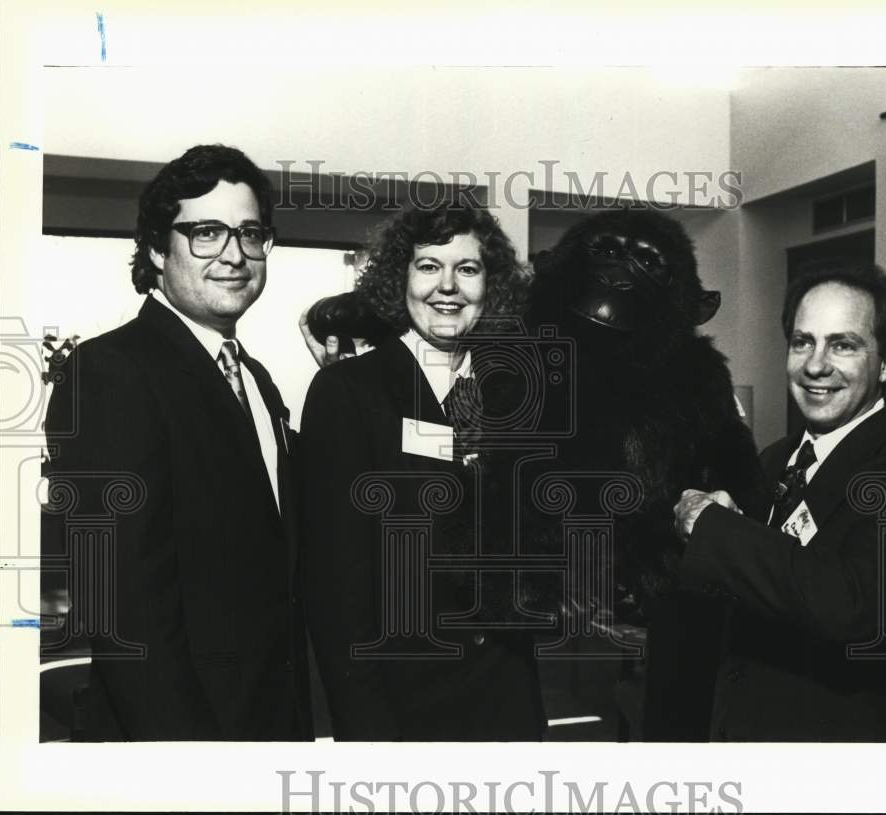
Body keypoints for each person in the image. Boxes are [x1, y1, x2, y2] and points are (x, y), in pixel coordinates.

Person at [42, 145, 312, 741]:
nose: (234, 255)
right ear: (158, 250)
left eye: (250, 233)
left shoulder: (257, 381)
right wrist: (188, 766)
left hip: (269, 731)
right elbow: (119, 606)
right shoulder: (110, 371)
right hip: (182, 745)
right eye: (206, 233)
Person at [300, 203, 547, 740]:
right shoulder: (348, 393)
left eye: (468, 268)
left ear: (492, 285)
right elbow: (335, 585)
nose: (448, 287)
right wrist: (364, 724)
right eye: (429, 266)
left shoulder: (517, 395)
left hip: (508, 700)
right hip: (402, 708)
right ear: (400, 279)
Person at [673, 264, 886, 741]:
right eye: (803, 342)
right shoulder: (777, 458)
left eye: (843, 344)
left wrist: (718, 530)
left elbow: (855, 606)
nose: (815, 365)